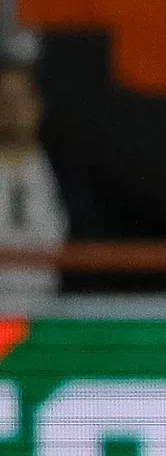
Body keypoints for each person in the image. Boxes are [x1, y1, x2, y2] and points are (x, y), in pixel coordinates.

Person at [0, 30, 67, 312]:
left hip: (50, 317)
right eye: (4, 100)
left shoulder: (70, 175)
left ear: (38, 105)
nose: (13, 109)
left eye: (21, 98)